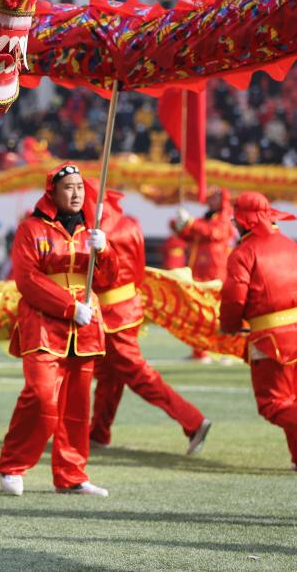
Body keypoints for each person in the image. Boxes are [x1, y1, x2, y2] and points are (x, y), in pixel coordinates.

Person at [0, 163, 115, 498]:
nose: (76, 193)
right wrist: (67, 306)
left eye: (80, 187)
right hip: (44, 325)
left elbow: (108, 280)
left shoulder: (92, 230)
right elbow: (27, 279)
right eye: (69, 188)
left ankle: (72, 474)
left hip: (86, 326)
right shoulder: (31, 229)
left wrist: (105, 251)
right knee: (41, 396)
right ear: (53, 193)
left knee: (77, 406)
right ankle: (13, 464)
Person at [219, 192, 297, 474]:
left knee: (272, 403)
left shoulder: (243, 253)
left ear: (244, 222)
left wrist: (230, 325)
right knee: (295, 398)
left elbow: (234, 299)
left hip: (270, 338)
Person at [89, 190, 211, 454]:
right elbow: (140, 266)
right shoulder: (130, 224)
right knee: (109, 376)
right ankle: (98, 433)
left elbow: (97, 276)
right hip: (128, 305)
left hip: (112, 312)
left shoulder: (98, 231)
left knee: (138, 375)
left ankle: (192, 420)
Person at [174, 187, 237, 361]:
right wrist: (181, 225)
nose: (210, 201)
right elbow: (192, 235)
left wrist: (191, 222)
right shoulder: (206, 218)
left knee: (217, 311)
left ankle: (225, 350)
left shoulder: (224, 218)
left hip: (216, 270)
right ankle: (199, 351)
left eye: (215, 198)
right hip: (199, 269)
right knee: (198, 311)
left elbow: (214, 232)